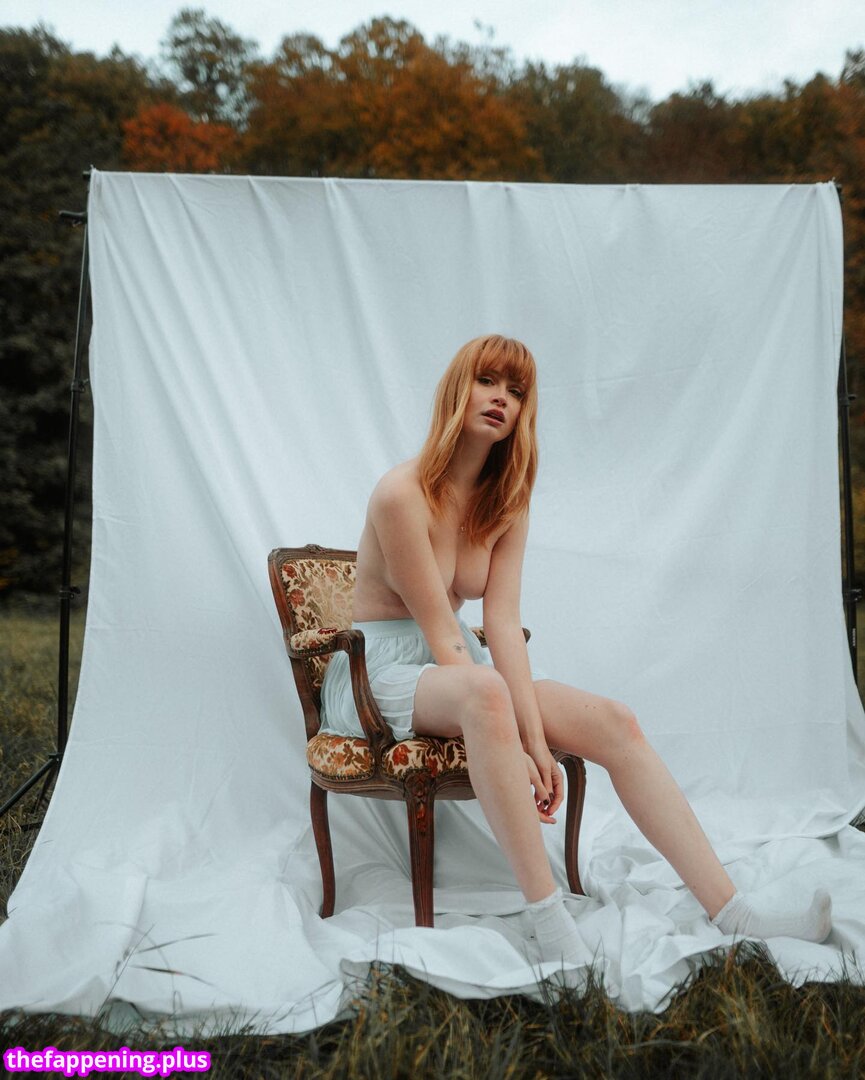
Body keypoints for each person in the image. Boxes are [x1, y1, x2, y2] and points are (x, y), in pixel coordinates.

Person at [319, 333, 832, 964]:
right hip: (379, 676)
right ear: (458, 389)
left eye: (515, 391)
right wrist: (517, 738)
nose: (500, 399)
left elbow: (502, 625)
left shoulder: (506, 504)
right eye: (487, 381)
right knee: (486, 690)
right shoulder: (401, 494)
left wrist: (536, 742)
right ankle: (549, 921)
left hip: (458, 672)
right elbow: (443, 632)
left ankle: (734, 911)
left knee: (614, 721)